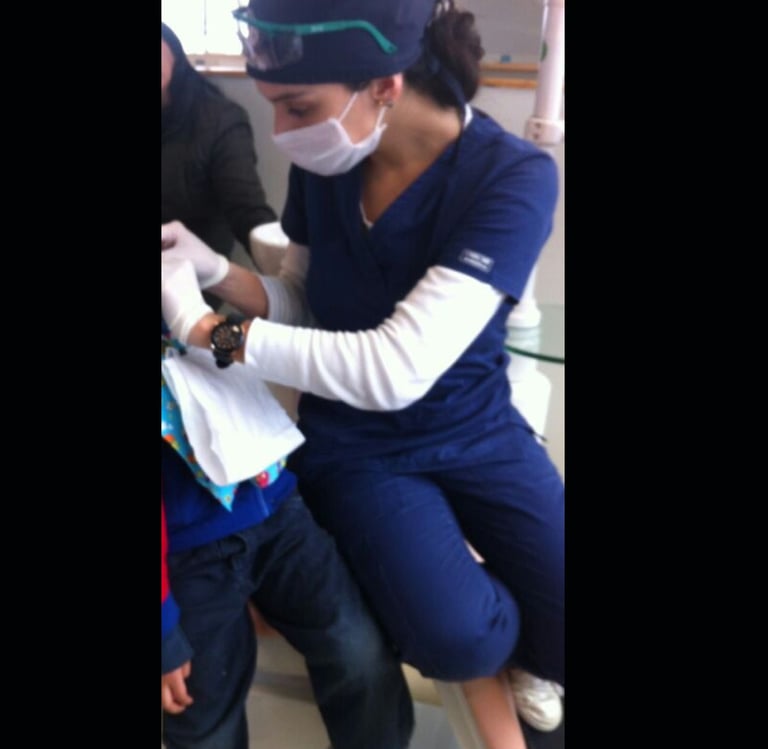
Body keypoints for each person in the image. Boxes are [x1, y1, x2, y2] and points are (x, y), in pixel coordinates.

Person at [161, 0, 564, 745]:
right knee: (459, 638)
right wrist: (216, 270)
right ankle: (498, 628)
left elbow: (395, 367)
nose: (280, 131)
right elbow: (306, 302)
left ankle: (528, 636)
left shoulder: (512, 178)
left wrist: (210, 331)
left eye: (296, 107)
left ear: (385, 85)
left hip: (475, 425)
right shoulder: (328, 162)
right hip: (357, 447)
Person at [160, 265, 414, 749]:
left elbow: (240, 347)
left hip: (277, 510)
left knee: (361, 654)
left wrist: (214, 276)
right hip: (186, 558)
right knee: (203, 715)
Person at [162, 22, 277, 307]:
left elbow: (247, 210)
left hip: (191, 272)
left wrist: (281, 269)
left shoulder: (219, 120)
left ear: (173, 52)